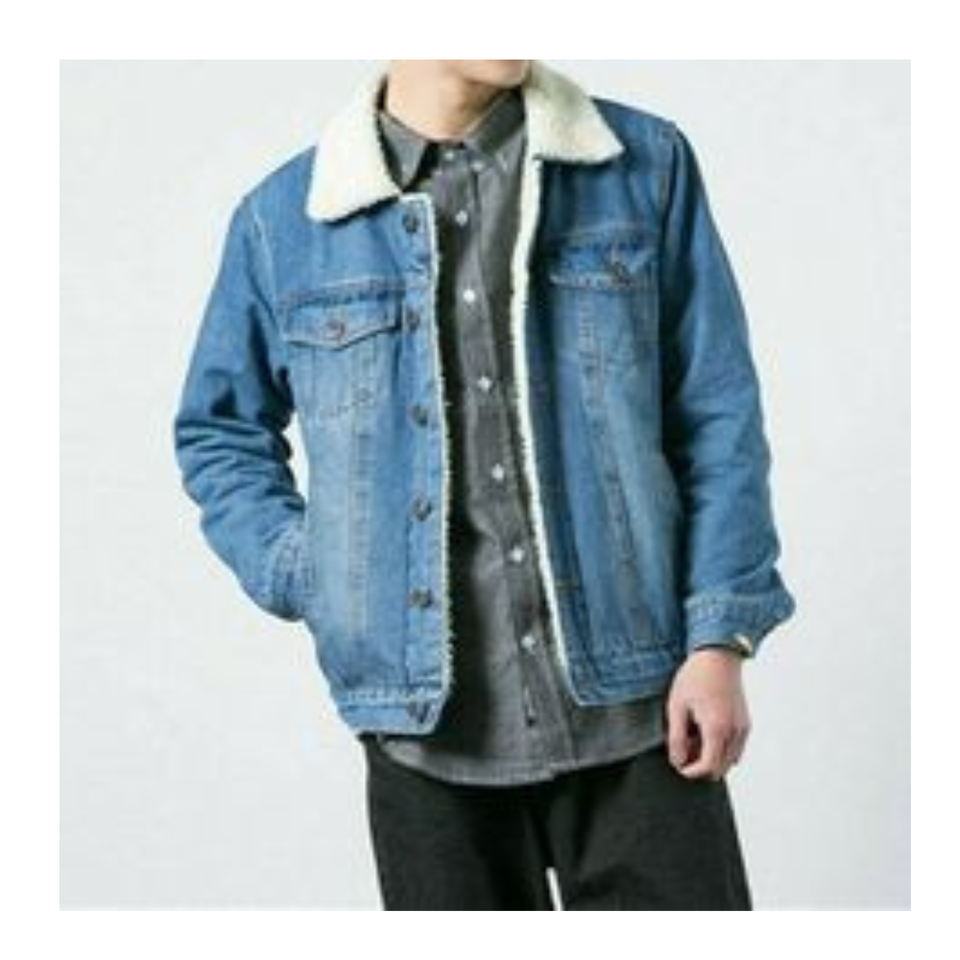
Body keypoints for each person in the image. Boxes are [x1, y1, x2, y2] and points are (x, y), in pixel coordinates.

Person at [173, 60, 796, 910]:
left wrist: (720, 639)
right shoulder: (284, 221)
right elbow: (219, 431)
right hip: (425, 744)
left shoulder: (643, 166)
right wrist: (314, 570)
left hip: (642, 710)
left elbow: (717, 413)